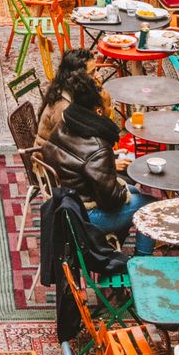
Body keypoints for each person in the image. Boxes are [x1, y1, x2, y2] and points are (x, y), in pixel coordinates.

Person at [37, 48, 137, 234]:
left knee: (132, 188)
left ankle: (111, 243)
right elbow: (78, 153)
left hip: (71, 172)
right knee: (133, 185)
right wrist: (111, 163)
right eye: (92, 72)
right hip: (62, 180)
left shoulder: (72, 100)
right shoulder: (65, 111)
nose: (97, 76)